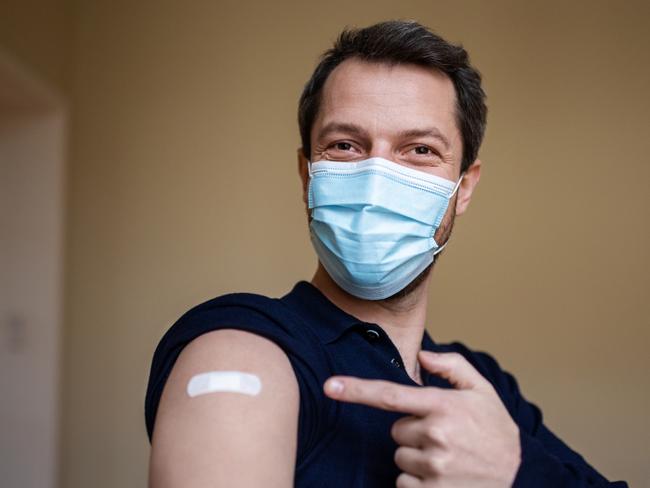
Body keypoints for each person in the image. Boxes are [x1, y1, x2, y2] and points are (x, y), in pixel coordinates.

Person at [144, 20, 628, 487]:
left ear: (463, 188)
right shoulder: (245, 346)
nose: (376, 182)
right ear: (307, 172)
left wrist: (515, 474)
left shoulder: (480, 388)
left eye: (418, 150)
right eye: (346, 145)